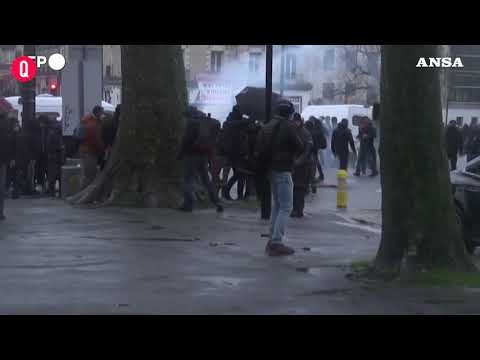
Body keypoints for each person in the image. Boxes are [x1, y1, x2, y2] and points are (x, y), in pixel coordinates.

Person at [256, 100, 304, 256]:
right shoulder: (288, 126)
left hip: (270, 169)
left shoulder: (267, 126)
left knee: (277, 205)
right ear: (289, 113)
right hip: (283, 168)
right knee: (286, 207)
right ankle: (277, 242)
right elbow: (300, 146)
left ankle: (272, 239)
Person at [177, 106, 224, 213]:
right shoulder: (205, 121)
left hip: (190, 155)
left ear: (188, 114)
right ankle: (217, 202)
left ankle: (189, 203)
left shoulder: (191, 122)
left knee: (187, 180)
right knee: (206, 181)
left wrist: (180, 154)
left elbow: (186, 141)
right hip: (203, 156)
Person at [222, 106, 251, 200]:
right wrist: (250, 119)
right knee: (240, 174)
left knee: (239, 174)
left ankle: (236, 195)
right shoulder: (234, 122)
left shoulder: (228, 122)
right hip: (237, 152)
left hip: (230, 152)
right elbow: (243, 124)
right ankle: (232, 193)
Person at [291, 114, 314, 218]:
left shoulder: (305, 133)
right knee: (294, 188)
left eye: (297, 121)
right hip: (295, 164)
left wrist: (299, 161)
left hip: (304, 165)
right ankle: (295, 209)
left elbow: (307, 150)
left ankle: (298, 210)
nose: (295, 123)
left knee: (300, 188)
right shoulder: (292, 131)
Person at [79, 105, 105, 190]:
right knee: (89, 175)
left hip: (84, 150)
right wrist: (102, 149)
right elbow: (96, 139)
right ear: (97, 113)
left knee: (86, 174)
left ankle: (82, 192)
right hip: (90, 152)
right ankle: (83, 193)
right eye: (102, 112)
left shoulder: (87, 120)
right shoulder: (93, 124)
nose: (103, 114)